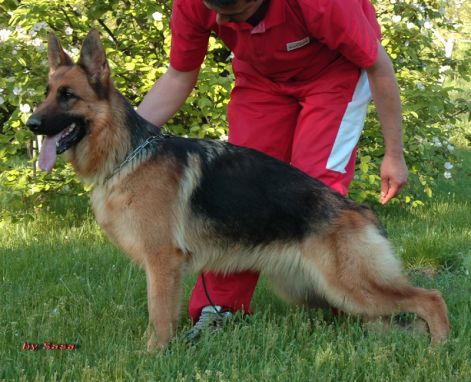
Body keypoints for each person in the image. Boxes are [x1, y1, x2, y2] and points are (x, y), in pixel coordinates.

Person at [137, 0, 408, 339]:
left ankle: (356, 298)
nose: (220, 21)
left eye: (233, 15)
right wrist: (129, 141)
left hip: (335, 73)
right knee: (236, 190)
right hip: (261, 78)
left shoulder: (322, 4)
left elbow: (378, 66)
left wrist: (393, 154)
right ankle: (220, 308)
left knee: (314, 190)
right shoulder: (192, 3)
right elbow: (179, 75)